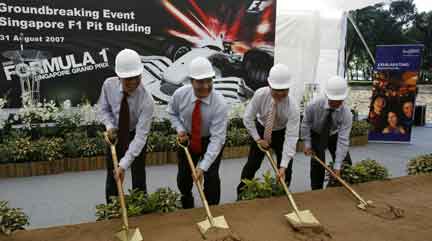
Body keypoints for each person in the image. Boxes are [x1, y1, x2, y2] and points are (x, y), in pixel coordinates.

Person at [167, 57, 228, 209]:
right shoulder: (180, 94)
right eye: (200, 82)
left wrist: (202, 167)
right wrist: (180, 130)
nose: (206, 86)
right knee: (184, 177)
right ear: (191, 80)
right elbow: (172, 113)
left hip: (210, 140)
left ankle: (213, 209)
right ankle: (187, 204)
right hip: (187, 138)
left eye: (209, 81)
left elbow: (217, 139)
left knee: (211, 176)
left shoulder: (220, 103)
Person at [98, 49, 155, 203]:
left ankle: (142, 208)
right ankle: (112, 209)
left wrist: (123, 165)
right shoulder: (108, 85)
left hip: (135, 134)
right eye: (127, 78)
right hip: (115, 134)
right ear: (119, 76)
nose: (133, 82)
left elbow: (141, 137)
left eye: (136, 77)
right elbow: (103, 110)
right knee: (112, 175)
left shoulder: (147, 100)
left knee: (138, 174)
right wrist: (109, 126)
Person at [236, 64, 300, 199]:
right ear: (269, 85)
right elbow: (248, 118)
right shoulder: (260, 95)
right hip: (261, 129)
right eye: (276, 90)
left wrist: (283, 166)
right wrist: (257, 139)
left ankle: (282, 195)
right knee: (252, 165)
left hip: (281, 133)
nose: (281, 94)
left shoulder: (293, 107)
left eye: (284, 90)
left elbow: (292, 136)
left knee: (286, 169)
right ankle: (241, 195)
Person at [301, 76, 353, 190]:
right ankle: (316, 191)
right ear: (327, 96)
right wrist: (307, 144)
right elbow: (305, 124)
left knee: (346, 163)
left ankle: (337, 188)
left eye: (340, 101)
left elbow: (343, 140)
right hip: (316, 134)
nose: (337, 103)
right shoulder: (313, 105)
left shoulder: (347, 113)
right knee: (317, 163)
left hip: (334, 134)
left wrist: (338, 165)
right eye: (333, 100)